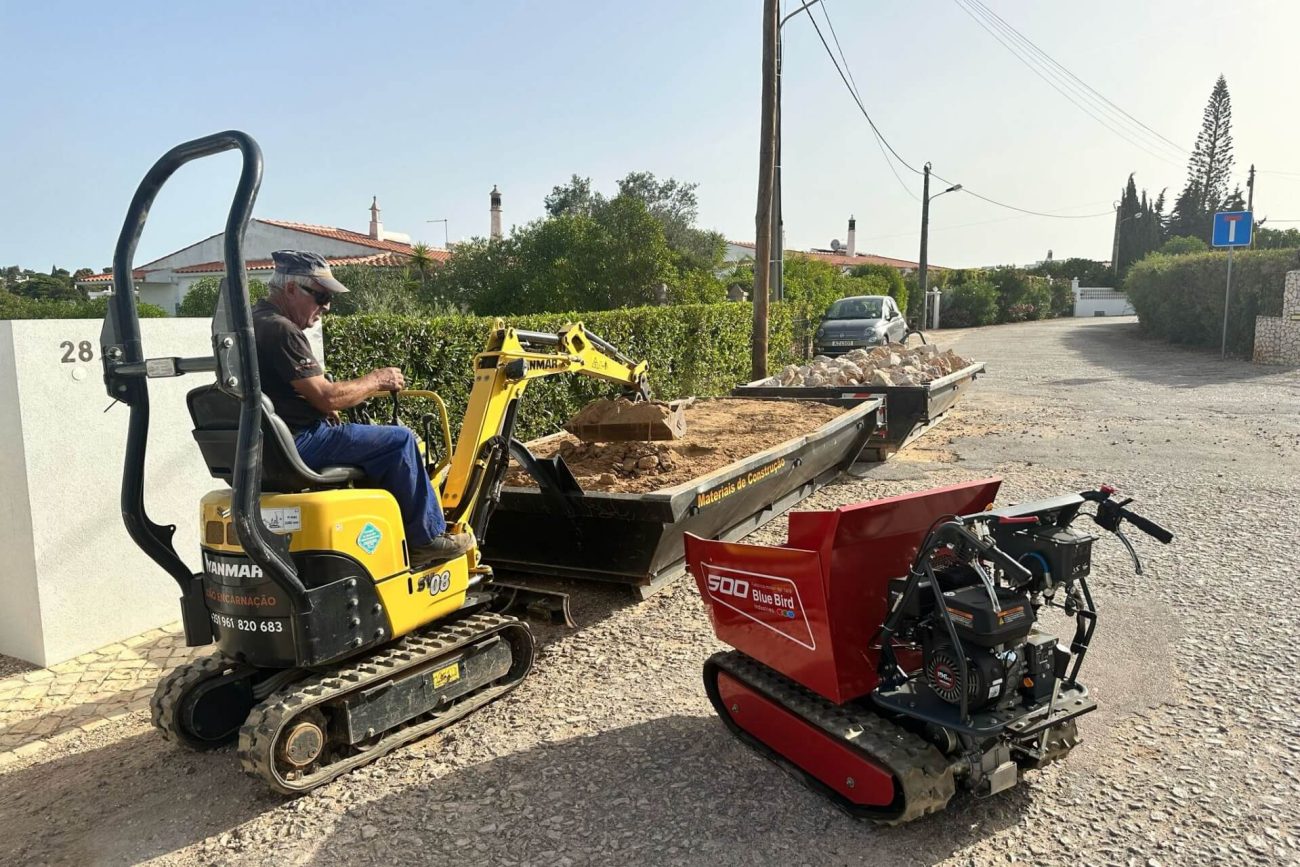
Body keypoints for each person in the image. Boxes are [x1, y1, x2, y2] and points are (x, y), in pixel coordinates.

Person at [252, 250, 473, 567]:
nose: (326, 306)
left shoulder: (252, 323)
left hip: (271, 445)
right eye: (320, 295)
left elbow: (298, 391)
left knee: (374, 445)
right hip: (300, 442)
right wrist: (378, 379)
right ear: (290, 289)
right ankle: (426, 539)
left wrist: (324, 404)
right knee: (400, 441)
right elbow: (327, 397)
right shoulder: (281, 329)